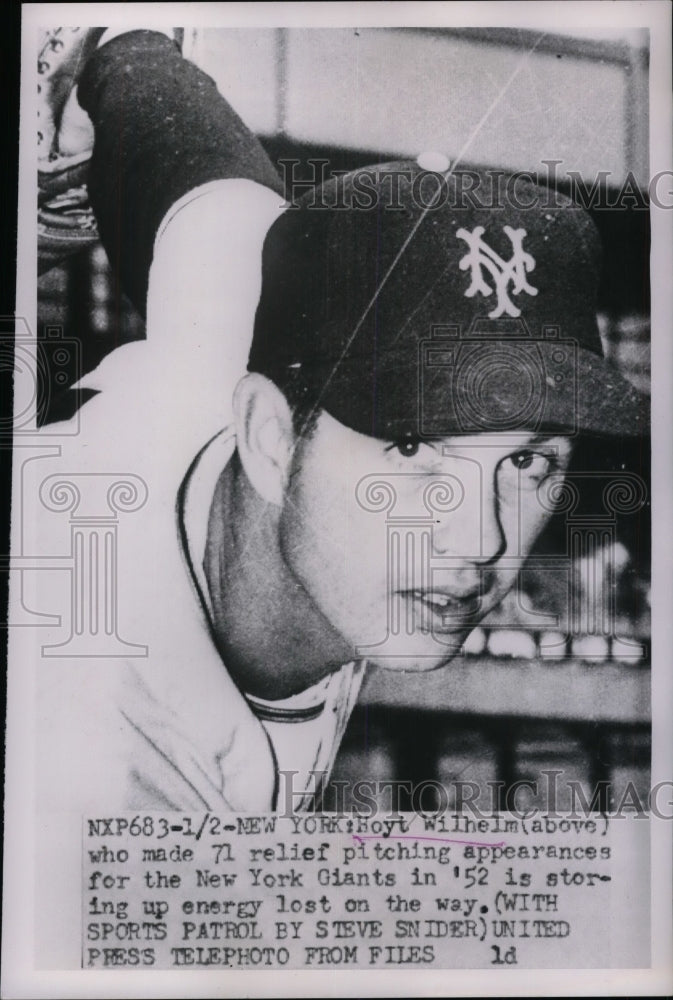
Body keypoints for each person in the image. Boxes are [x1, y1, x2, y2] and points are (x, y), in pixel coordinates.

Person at [31, 28, 648, 814]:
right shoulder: (103, 749)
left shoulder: (239, 324)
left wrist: (119, 58)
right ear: (269, 438)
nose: (480, 540)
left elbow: (196, 167)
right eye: (413, 445)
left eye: (527, 463)